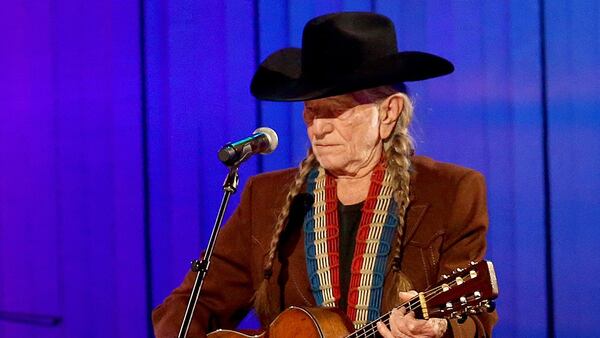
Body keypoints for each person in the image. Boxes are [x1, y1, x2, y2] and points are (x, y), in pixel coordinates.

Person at [153, 12, 497, 338]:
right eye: (311, 112)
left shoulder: (451, 191)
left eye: (336, 111)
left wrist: (441, 331)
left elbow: (474, 322)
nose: (318, 129)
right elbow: (190, 307)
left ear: (389, 113)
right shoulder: (266, 197)